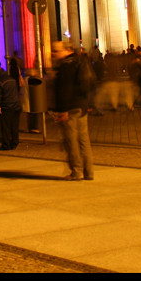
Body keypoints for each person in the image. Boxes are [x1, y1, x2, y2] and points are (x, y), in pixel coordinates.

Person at [49, 41, 94, 181]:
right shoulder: (82, 62)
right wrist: (88, 103)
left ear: (67, 50)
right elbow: (90, 83)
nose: (53, 54)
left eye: (56, 50)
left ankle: (76, 171)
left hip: (70, 108)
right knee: (83, 140)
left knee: (71, 141)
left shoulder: (66, 66)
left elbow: (64, 90)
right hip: (82, 106)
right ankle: (89, 172)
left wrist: (62, 110)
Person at [0, 66, 22, 150]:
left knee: (6, 127)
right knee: (14, 126)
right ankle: (15, 142)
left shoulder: (0, 81)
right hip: (16, 106)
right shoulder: (12, 80)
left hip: (6, 106)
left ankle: (6, 144)